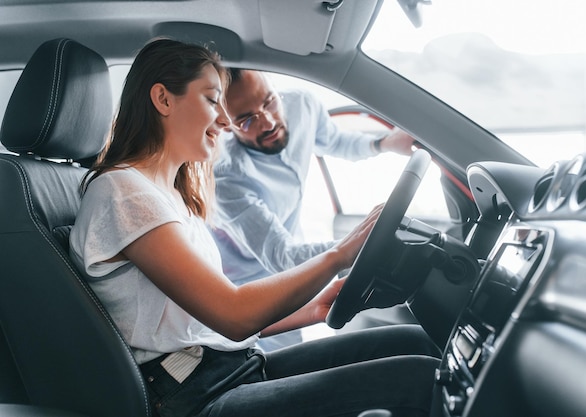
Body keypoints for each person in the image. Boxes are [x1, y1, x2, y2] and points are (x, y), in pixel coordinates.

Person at [69, 38, 440, 417]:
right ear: (163, 99)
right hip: (195, 396)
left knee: (414, 342)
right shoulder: (124, 193)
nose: (226, 121)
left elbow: (205, 322)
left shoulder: (169, 195)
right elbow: (233, 315)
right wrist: (339, 254)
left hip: (231, 367)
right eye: (213, 101)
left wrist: (315, 307)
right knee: (418, 379)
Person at [212, 69, 419, 350]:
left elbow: (334, 141)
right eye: (247, 119)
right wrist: (359, 245)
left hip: (289, 262)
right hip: (248, 288)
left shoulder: (302, 104)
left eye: (269, 101)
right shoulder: (226, 178)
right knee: (273, 366)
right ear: (227, 125)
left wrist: (383, 143)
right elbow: (283, 257)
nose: (268, 122)